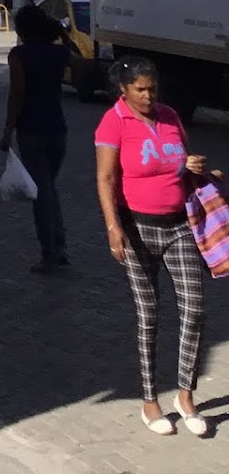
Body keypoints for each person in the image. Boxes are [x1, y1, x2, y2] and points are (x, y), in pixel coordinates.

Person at [94, 57, 219, 438]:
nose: (149, 96)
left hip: (180, 225)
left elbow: (183, 162)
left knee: (195, 309)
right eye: (141, 89)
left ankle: (186, 396)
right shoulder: (113, 122)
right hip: (137, 228)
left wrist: (194, 165)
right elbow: (105, 177)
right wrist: (113, 227)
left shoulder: (170, 117)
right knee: (149, 315)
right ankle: (150, 401)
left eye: (153, 88)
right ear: (124, 89)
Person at [0, 2, 71, 272]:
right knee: (50, 187)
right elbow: (72, 49)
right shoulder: (60, 53)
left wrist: (8, 129)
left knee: (41, 192)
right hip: (57, 128)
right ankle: (59, 246)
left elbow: (16, 94)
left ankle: (50, 251)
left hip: (31, 128)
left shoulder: (19, 55)